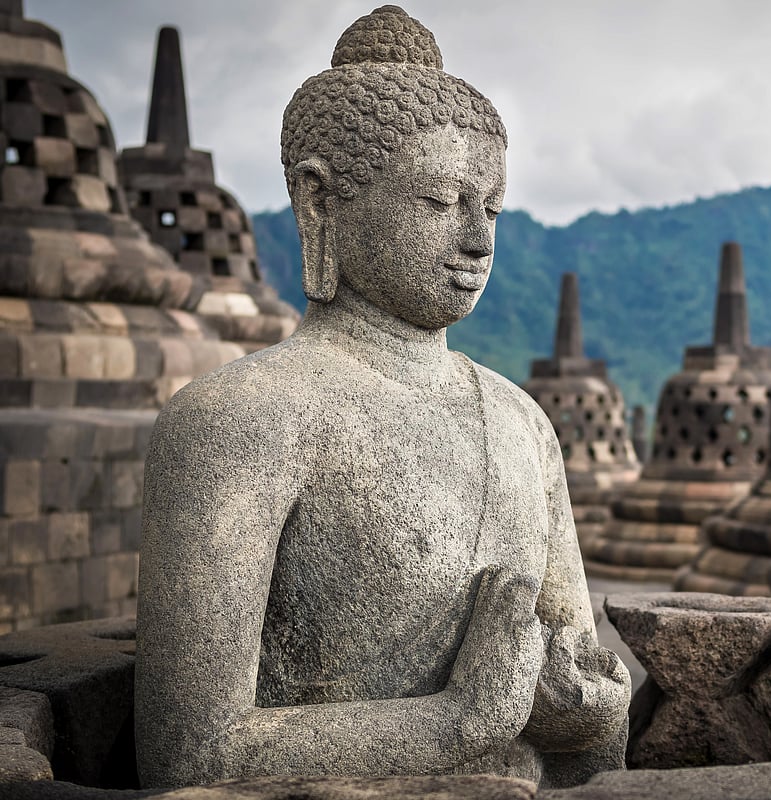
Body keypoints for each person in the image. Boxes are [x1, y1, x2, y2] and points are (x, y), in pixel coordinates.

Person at [135, 6, 629, 789]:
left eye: (491, 208)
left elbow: (579, 712)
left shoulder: (523, 424)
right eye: (438, 202)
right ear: (320, 201)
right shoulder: (237, 422)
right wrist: (456, 722)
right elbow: (189, 751)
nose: (478, 241)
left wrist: (591, 712)